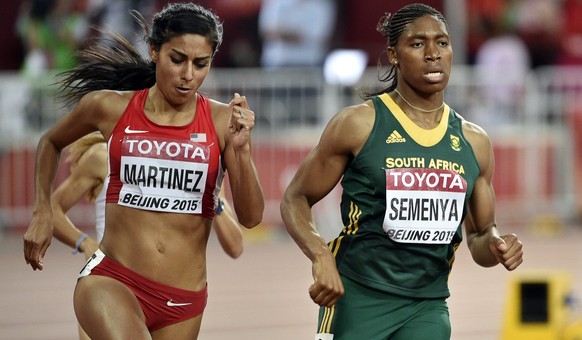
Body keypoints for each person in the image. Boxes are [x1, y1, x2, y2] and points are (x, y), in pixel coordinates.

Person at [280, 3, 524, 339]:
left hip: (427, 305)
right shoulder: (359, 124)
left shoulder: (474, 141)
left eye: (442, 42)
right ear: (394, 54)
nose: (433, 54)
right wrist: (321, 256)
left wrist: (497, 244)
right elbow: (296, 197)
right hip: (357, 298)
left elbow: (481, 237)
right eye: (417, 43)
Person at [23, 2, 264, 339]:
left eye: (201, 64)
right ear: (153, 50)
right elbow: (50, 141)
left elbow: (252, 217)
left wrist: (241, 149)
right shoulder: (109, 106)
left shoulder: (224, 121)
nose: (188, 75)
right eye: (177, 60)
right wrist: (42, 212)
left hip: (184, 299)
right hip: (112, 279)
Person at [52, 133, 244, 261]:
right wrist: (85, 243)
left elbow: (235, 247)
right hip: (112, 282)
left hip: (166, 289)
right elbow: (50, 210)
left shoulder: (196, 159)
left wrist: (213, 200)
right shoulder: (104, 154)